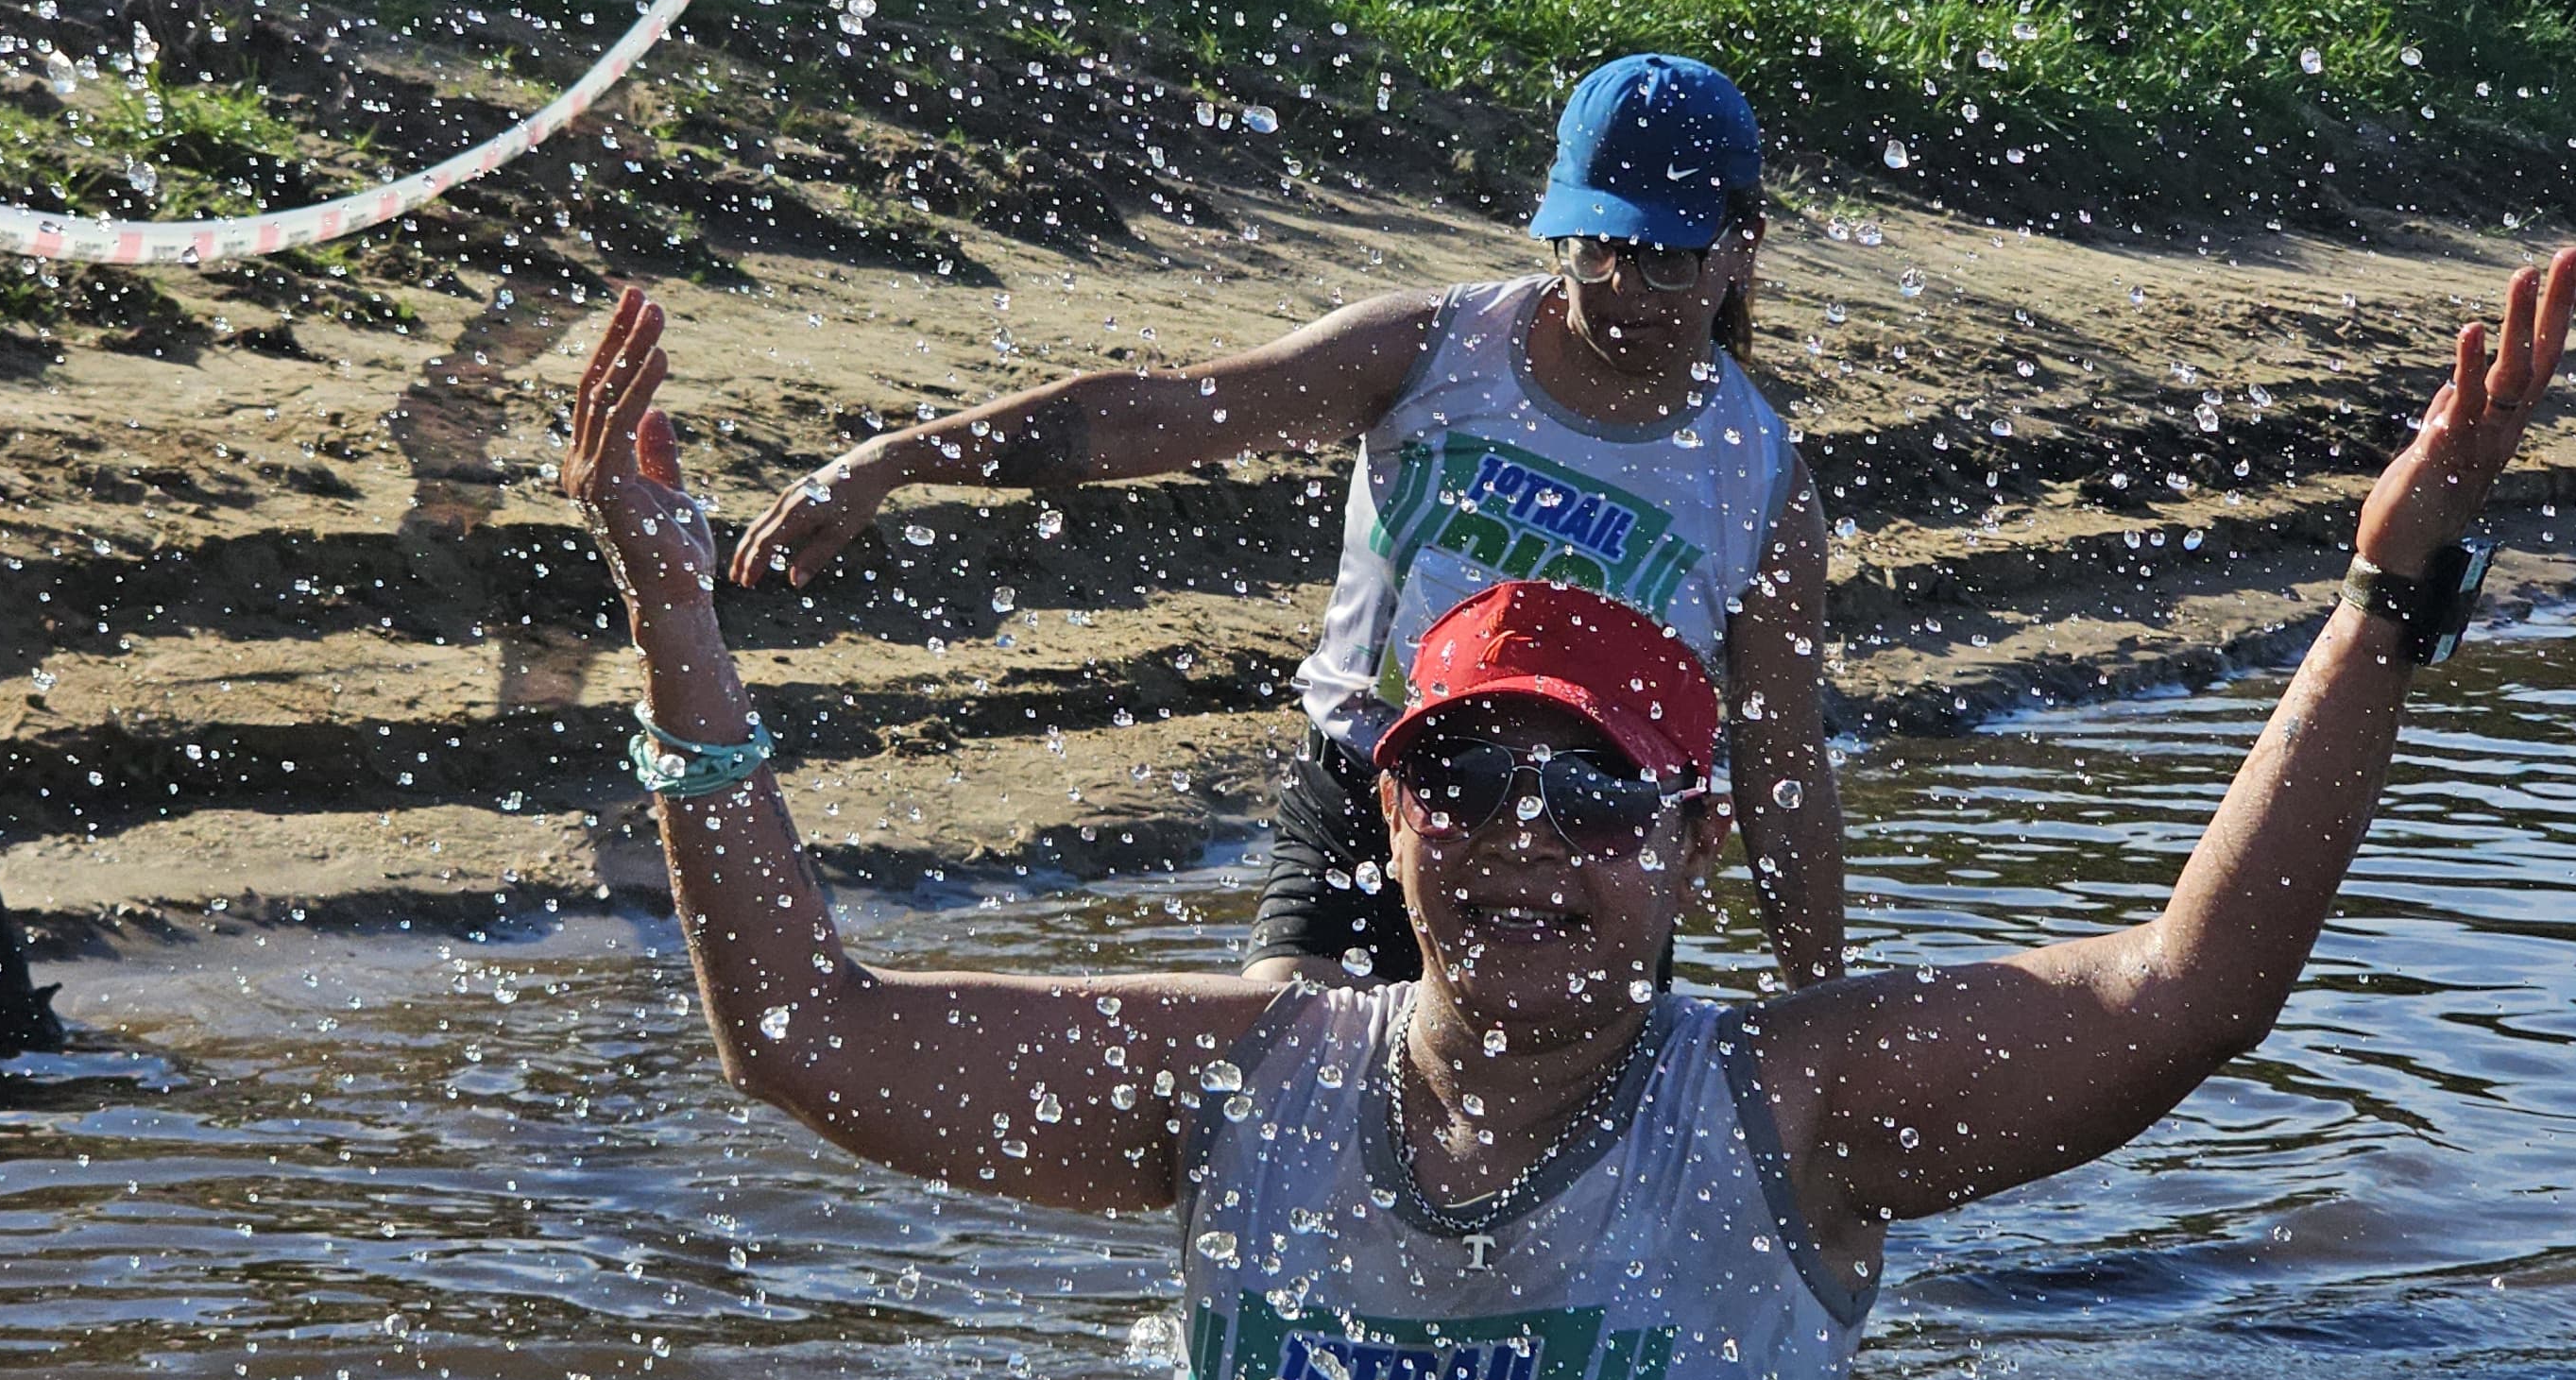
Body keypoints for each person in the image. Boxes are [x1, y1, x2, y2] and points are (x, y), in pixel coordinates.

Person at [562, 244, 2576, 1380]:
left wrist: (2385, 607)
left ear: (1689, 842)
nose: (1529, 843)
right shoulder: (1240, 1085)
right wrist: (677, 618)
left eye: (1599, 795)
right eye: (1469, 782)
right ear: (1388, 810)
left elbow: (2184, 989)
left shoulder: (1787, 1111)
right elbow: (806, 1031)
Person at [729, 52, 1847, 991]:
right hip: (1370, 792)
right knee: (1283, 1087)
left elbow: (1784, 770)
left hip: (1595, 843)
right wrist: (897, 460)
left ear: (1743, 245)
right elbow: (1153, 414)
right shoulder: (1432, 353)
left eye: (1664, 256)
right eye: (1593, 244)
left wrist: (1822, 1026)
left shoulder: (1761, 483)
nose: (1621, 288)